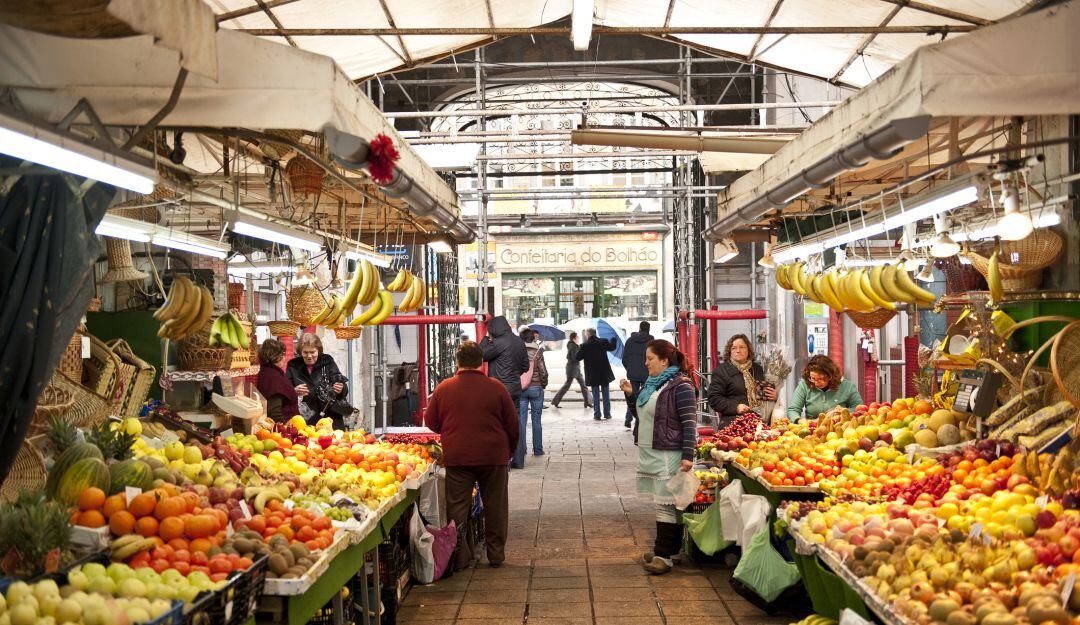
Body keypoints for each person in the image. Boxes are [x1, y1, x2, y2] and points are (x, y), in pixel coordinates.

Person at [425, 341, 519, 570]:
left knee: (457, 508)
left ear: (458, 362)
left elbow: (432, 422)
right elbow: (513, 425)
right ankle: (495, 555)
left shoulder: (444, 388)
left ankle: (460, 557)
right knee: (495, 506)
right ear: (481, 362)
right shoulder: (496, 388)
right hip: (493, 456)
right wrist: (509, 451)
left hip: (458, 456)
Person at [619, 339, 697, 575]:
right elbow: (641, 416)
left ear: (664, 361)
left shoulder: (680, 386)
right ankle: (671, 551)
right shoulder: (652, 385)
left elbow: (689, 422)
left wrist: (688, 454)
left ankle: (662, 555)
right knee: (669, 504)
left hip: (668, 453)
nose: (646, 363)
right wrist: (632, 396)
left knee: (664, 504)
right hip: (650, 451)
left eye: (650, 358)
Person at [707, 334, 778, 427]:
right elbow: (714, 399)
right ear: (729, 352)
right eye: (734, 348)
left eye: (742, 347)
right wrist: (736, 407)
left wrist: (773, 396)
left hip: (759, 422)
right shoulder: (722, 371)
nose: (738, 351)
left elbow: (761, 395)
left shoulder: (757, 369)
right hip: (733, 423)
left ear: (748, 350)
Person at [285, 333, 351, 430]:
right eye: (305, 352)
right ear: (300, 352)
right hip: (306, 420)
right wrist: (294, 391)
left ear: (318, 351)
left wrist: (341, 388)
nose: (309, 356)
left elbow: (340, 382)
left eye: (313, 352)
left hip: (331, 419)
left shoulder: (327, 362)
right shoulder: (293, 365)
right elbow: (286, 389)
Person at [480, 316, 530, 431]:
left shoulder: (498, 343)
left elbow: (480, 355)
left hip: (499, 390)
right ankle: (519, 449)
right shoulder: (519, 341)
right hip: (515, 389)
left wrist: (485, 339)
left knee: (499, 424)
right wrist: (514, 374)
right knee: (515, 423)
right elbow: (525, 366)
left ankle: (503, 448)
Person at [787, 354, 863, 420]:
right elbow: (793, 409)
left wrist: (845, 411)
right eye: (813, 378)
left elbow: (860, 409)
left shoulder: (847, 386)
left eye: (821, 378)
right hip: (813, 428)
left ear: (831, 375)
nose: (817, 383)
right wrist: (798, 420)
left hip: (839, 428)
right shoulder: (804, 385)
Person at [514, 328, 549, 466]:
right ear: (533, 338)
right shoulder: (538, 352)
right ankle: (538, 450)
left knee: (521, 421)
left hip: (521, 388)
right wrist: (543, 384)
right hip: (536, 387)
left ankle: (522, 450)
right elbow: (543, 370)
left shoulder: (517, 352)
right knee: (536, 420)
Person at [254, 339, 300, 423]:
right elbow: (274, 412)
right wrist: (284, 429)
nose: (284, 358)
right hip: (283, 429)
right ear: (276, 356)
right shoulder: (272, 377)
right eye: (282, 354)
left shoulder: (269, 372)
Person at [575, 328, 616, 421]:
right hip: (604, 372)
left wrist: (578, 349)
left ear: (588, 335)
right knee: (606, 394)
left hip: (592, 374)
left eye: (586, 334)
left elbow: (577, 358)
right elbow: (612, 347)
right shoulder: (603, 341)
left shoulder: (584, 345)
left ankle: (597, 414)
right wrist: (614, 340)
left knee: (596, 394)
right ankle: (607, 414)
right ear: (594, 334)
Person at [622, 321, 653, 431]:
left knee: (632, 396)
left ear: (639, 328)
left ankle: (628, 418)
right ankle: (642, 421)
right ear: (649, 329)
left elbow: (624, 358)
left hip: (633, 373)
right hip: (647, 373)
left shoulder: (630, 341)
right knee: (645, 397)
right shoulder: (651, 341)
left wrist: (630, 369)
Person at [551, 331, 592, 410]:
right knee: (572, 386)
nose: (579, 338)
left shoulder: (572, 345)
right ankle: (555, 401)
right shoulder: (573, 346)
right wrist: (581, 352)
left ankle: (588, 402)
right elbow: (575, 357)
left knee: (582, 386)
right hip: (573, 369)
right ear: (574, 338)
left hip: (574, 369)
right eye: (577, 337)